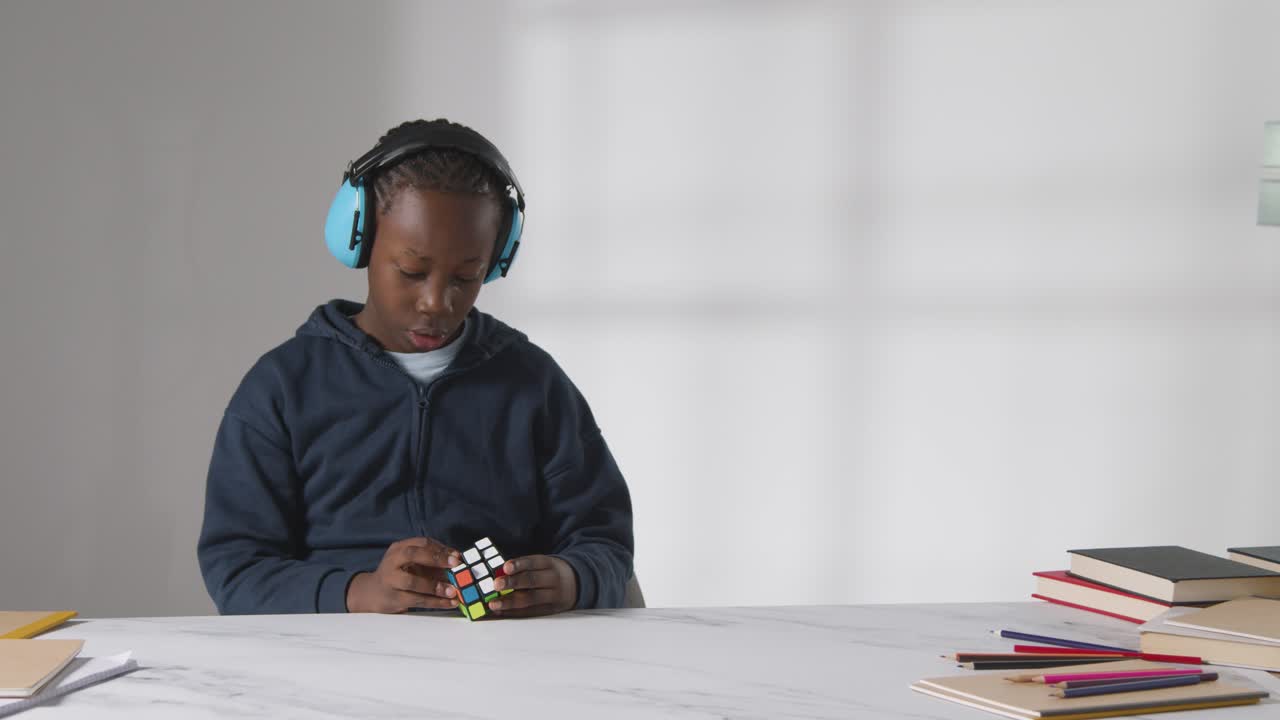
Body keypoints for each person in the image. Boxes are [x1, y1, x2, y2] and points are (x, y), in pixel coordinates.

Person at [197, 119, 634, 617]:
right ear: (358, 241)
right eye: (411, 271)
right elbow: (235, 567)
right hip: (331, 665)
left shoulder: (533, 384)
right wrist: (359, 592)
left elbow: (607, 544)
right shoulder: (281, 388)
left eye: (466, 277)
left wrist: (571, 579)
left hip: (507, 665)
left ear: (495, 259)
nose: (436, 302)